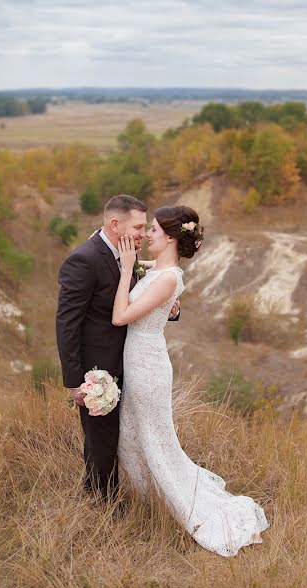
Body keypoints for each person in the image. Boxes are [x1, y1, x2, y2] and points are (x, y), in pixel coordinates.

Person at [112, 205, 269, 557]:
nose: (147, 235)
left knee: (153, 439)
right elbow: (141, 268)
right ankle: (144, 504)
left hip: (147, 365)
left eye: (152, 230)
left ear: (169, 237)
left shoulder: (169, 278)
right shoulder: (162, 271)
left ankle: (174, 507)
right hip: (139, 360)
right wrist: (125, 258)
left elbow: (121, 316)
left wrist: (125, 273)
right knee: (133, 437)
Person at [55, 194, 177, 503]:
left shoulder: (127, 255)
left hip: (131, 362)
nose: (142, 234)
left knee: (108, 439)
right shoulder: (84, 259)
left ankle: (95, 492)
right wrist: (74, 382)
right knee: (102, 440)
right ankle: (104, 506)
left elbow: (145, 289)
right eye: (138, 227)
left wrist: (168, 308)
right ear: (115, 224)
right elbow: (66, 324)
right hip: (97, 370)